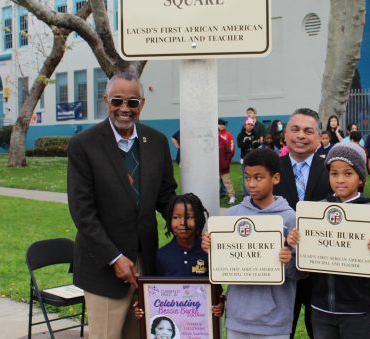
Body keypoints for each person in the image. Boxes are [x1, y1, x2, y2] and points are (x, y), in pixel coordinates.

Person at [67, 71, 177, 339]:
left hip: (145, 263)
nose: (124, 109)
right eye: (117, 101)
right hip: (104, 267)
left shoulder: (157, 142)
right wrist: (114, 258)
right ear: (106, 100)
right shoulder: (84, 145)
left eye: (132, 102)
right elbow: (83, 212)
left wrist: (189, 223)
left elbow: (166, 196)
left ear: (142, 103)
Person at [287, 142, 370, 338]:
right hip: (320, 308)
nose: (340, 180)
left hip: (357, 310)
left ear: (361, 178)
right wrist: (296, 245)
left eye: (348, 173)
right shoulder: (315, 212)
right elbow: (300, 269)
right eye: (334, 173)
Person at [202, 148, 304, 338]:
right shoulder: (232, 215)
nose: (251, 184)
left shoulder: (290, 219)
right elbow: (221, 263)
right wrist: (210, 248)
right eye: (247, 177)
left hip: (275, 322)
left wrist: (288, 260)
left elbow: (301, 272)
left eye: (258, 177)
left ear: (275, 178)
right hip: (237, 317)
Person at [274, 108, 332, 339]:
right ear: (285, 135)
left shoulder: (331, 171)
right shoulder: (270, 169)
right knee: (280, 331)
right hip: (280, 267)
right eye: (295, 129)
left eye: (308, 131)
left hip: (321, 270)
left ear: (319, 138)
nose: (301, 136)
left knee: (318, 330)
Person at [133, 193, 224, 319]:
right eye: (176, 217)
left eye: (189, 217)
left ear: (199, 218)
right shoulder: (162, 255)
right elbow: (154, 292)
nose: (182, 223)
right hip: (175, 323)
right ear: (169, 220)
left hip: (201, 325)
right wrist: (143, 305)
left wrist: (220, 304)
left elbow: (217, 290)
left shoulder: (208, 251)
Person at [218, 118, 236, 204]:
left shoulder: (228, 135)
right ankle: (219, 194)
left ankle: (231, 196)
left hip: (224, 162)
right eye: (220, 124)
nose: (221, 126)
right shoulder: (213, 135)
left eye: (223, 124)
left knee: (226, 181)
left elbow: (231, 148)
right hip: (215, 164)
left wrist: (227, 161)